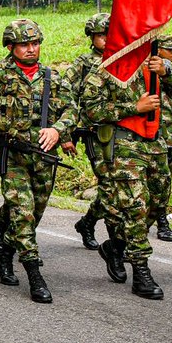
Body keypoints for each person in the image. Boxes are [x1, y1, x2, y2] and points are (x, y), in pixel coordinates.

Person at [0, 19, 76, 304]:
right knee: (23, 214)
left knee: (33, 214)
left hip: (44, 158)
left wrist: (58, 130)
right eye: (24, 44)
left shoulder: (52, 77)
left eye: (35, 43)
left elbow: (72, 111)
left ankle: (3, 257)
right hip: (12, 157)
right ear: (11, 47)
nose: (31, 49)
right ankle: (35, 274)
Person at [80, 44, 172, 300]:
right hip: (124, 143)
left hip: (156, 143)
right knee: (135, 206)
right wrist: (133, 107)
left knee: (157, 204)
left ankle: (115, 247)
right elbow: (91, 109)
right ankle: (141, 271)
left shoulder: (155, 63)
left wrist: (167, 71)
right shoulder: (107, 66)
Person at [64, 13, 111, 252]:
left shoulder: (124, 60)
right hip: (93, 132)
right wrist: (67, 133)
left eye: (109, 33)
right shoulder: (83, 63)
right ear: (92, 37)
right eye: (101, 34)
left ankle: (88, 222)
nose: (105, 38)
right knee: (109, 183)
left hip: (122, 133)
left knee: (117, 187)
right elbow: (65, 95)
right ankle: (111, 240)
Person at [150, 34, 172, 242]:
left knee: (164, 181)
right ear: (157, 49)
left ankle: (162, 221)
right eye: (169, 49)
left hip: (168, 137)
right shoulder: (141, 70)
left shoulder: (171, 71)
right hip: (145, 137)